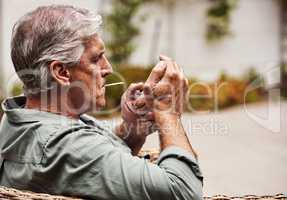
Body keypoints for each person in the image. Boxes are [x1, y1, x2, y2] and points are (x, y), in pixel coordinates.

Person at [0, 5, 203, 200]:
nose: (108, 68)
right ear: (61, 72)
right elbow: (183, 192)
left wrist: (132, 128)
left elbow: (98, 166)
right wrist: (168, 112)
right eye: (96, 59)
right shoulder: (65, 145)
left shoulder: (20, 117)